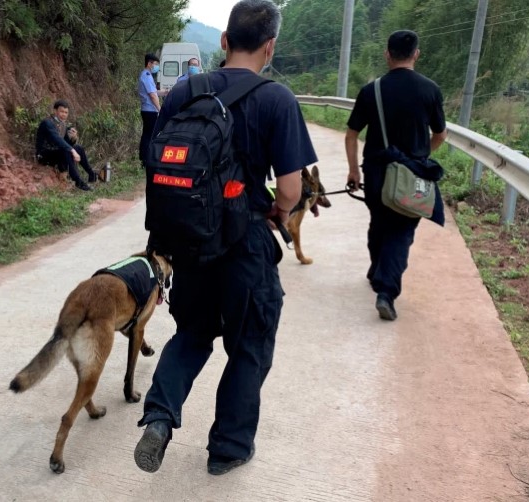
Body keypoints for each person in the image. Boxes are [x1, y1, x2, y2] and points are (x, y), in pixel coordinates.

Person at [134, 0, 317, 476]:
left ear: (224, 41)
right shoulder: (277, 99)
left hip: (190, 242)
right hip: (246, 244)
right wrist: (275, 211)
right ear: (270, 46)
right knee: (250, 343)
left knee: (192, 332)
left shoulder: (184, 92)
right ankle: (229, 447)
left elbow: (156, 162)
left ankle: (158, 416)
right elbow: (293, 189)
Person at [345, 30, 447, 321]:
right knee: (401, 231)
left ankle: (377, 269)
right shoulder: (430, 90)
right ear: (416, 54)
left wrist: (353, 169)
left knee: (379, 222)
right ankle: (386, 292)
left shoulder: (371, 90)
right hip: (412, 174)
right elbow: (440, 135)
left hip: (376, 172)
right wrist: (419, 156)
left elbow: (352, 134)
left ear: (387, 54)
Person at [36, 99, 96, 191]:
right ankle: (79, 183)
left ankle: (92, 174)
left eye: (66, 112)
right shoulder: (47, 123)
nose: (64, 114)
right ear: (55, 111)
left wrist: (73, 138)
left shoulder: (63, 124)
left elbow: (66, 143)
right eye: (61, 111)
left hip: (58, 153)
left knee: (78, 148)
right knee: (67, 150)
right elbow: (57, 139)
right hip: (44, 155)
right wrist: (72, 151)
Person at [138, 53, 161, 168]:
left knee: (147, 134)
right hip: (150, 111)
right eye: (155, 64)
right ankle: (146, 159)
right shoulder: (146, 75)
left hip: (147, 110)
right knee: (150, 135)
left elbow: (155, 92)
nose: (156, 66)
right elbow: (152, 95)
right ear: (149, 63)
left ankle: (145, 158)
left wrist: (165, 92)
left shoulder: (147, 75)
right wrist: (160, 109)